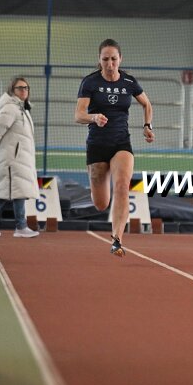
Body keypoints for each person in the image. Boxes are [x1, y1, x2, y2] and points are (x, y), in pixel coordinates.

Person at [75, 39, 155, 257]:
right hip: (97, 144)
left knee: (122, 186)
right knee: (101, 204)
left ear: (120, 59)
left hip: (121, 143)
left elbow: (146, 104)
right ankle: (99, 176)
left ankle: (117, 240)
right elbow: (79, 114)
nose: (110, 64)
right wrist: (94, 117)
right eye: (105, 60)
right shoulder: (90, 82)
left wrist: (147, 126)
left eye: (113, 59)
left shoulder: (129, 81)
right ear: (99, 60)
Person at [0, 77, 40, 238]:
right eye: (20, 88)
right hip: (13, 159)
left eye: (26, 87)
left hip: (20, 158)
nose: (24, 90)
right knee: (15, 191)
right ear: (12, 90)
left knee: (12, 191)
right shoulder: (10, 109)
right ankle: (20, 226)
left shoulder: (23, 109)